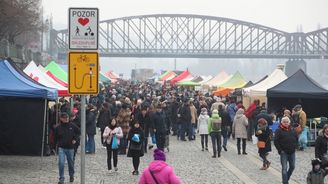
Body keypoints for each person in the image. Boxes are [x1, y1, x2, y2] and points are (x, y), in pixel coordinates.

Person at [54, 112, 80, 184]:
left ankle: (71, 175)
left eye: (67, 118)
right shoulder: (58, 128)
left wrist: (75, 139)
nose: (66, 119)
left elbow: (78, 132)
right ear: (61, 119)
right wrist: (54, 146)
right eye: (65, 118)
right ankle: (61, 178)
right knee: (61, 163)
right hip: (61, 147)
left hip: (70, 148)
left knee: (70, 163)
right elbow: (55, 138)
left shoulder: (72, 125)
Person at [274, 116, 298, 184]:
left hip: (292, 152)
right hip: (284, 152)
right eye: (284, 122)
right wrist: (280, 150)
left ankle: (286, 179)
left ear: (289, 122)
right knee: (284, 169)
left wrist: (295, 146)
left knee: (292, 167)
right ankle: (285, 182)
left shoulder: (292, 129)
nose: (286, 123)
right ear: (282, 122)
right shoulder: (278, 130)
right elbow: (276, 141)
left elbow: (296, 138)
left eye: (287, 122)